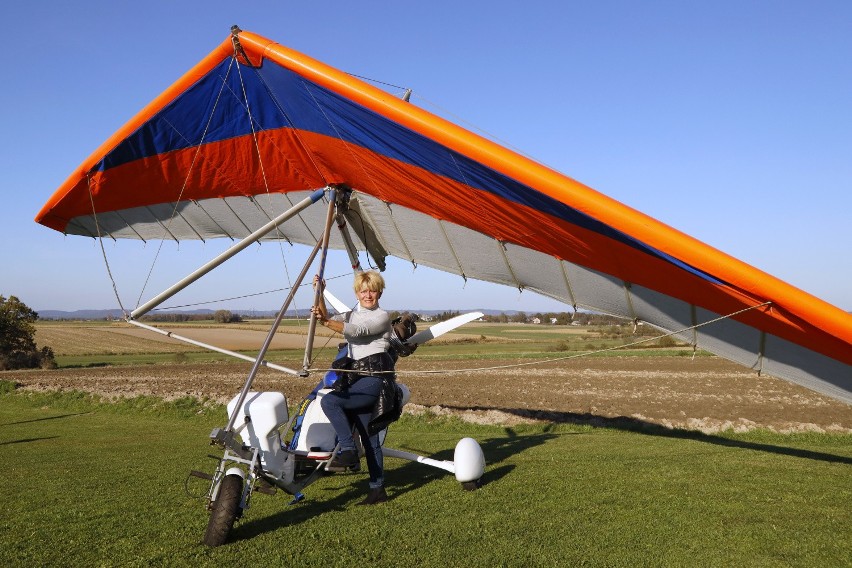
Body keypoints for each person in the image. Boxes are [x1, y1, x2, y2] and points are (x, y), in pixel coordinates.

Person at [310, 270, 398, 505]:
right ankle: (378, 490)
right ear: (357, 293)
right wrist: (319, 292)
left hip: (376, 379)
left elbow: (358, 330)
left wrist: (327, 322)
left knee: (330, 401)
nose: (368, 294)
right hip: (356, 378)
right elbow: (327, 315)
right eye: (363, 290)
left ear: (379, 291)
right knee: (370, 440)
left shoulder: (381, 317)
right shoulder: (351, 314)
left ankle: (348, 450)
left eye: (372, 290)